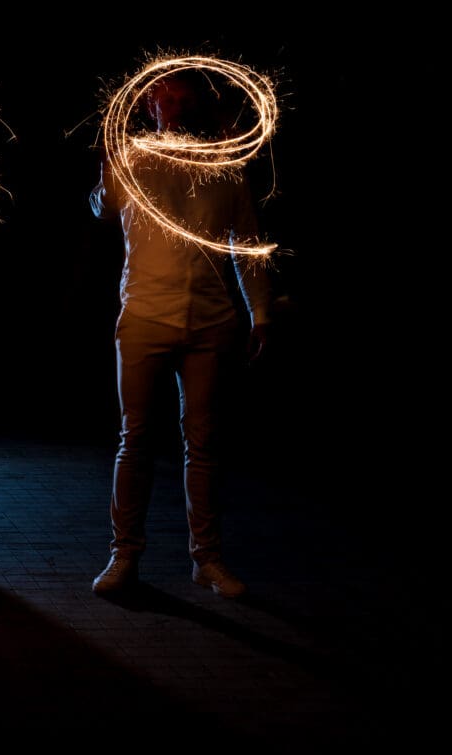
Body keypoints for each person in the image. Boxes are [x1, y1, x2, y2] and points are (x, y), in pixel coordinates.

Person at [89, 71, 271, 598]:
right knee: (136, 440)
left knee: (204, 444)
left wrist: (261, 312)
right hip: (145, 316)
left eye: (178, 94)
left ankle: (207, 559)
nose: (168, 102)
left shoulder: (224, 167)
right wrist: (109, 162)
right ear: (147, 104)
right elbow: (103, 208)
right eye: (159, 95)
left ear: (195, 101)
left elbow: (248, 243)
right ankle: (123, 556)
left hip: (211, 322)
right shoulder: (135, 159)